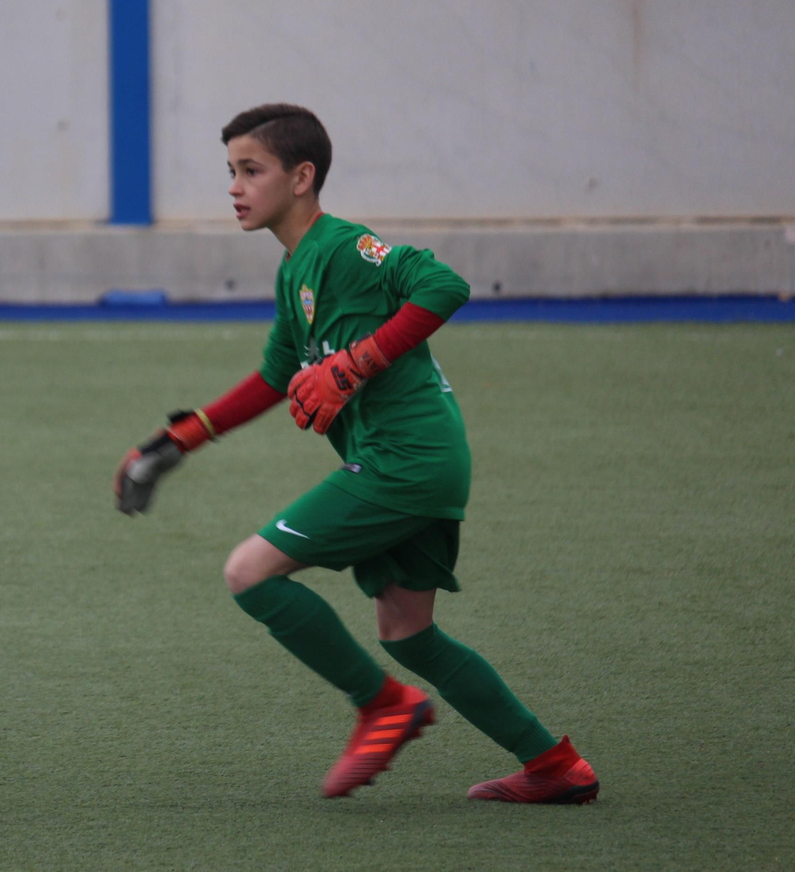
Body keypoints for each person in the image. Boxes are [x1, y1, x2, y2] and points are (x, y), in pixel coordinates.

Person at [114, 103, 598, 803]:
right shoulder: (294, 271)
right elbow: (276, 377)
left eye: (251, 170)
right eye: (231, 172)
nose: (235, 187)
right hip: (411, 460)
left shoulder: (345, 246)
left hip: (407, 457)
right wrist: (179, 439)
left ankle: (383, 707)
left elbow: (444, 286)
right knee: (409, 634)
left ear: (302, 176)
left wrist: (353, 365)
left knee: (250, 572)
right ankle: (556, 766)